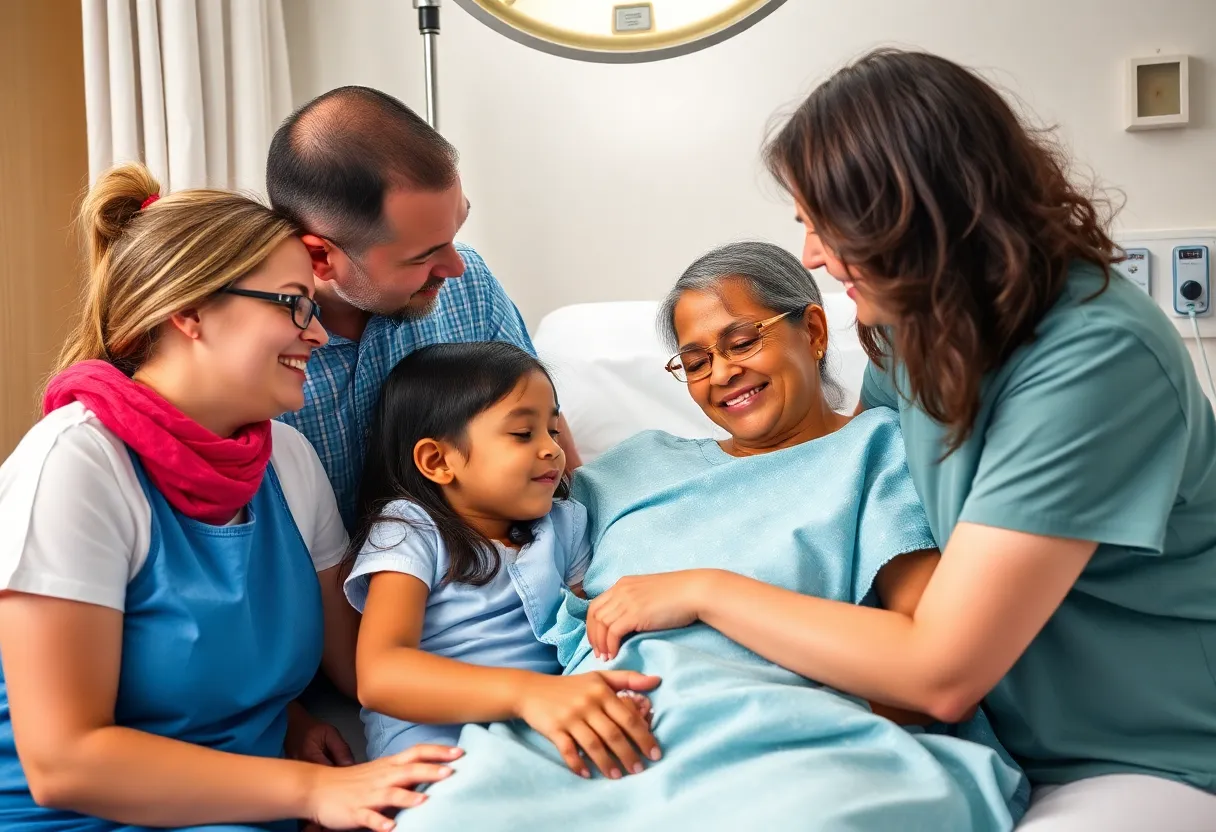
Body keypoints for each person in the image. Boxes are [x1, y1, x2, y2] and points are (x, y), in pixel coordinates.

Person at [382, 242, 1030, 832]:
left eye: (741, 342)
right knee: (449, 814)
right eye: (695, 361)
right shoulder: (624, 470)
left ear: (812, 330)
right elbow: (487, 504)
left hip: (788, 743)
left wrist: (791, 697)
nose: (720, 373)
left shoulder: (875, 453)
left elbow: (928, 673)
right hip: (598, 745)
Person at [744, 48, 1216, 830]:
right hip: (988, 732)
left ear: (914, 209)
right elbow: (866, 504)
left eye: (824, 225)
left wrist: (703, 591)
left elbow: (941, 670)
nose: (812, 258)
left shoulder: (1095, 358)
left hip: (1151, 750)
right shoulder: (909, 323)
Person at [0, 163, 459, 832]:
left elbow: (363, 665)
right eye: (294, 303)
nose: (318, 332)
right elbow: (65, 762)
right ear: (189, 312)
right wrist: (307, 790)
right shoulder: (77, 465)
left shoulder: (288, 462)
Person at [266, 86, 581, 532]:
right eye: (422, 256)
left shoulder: (469, 282)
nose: (455, 267)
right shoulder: (253, 347)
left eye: (458, 227)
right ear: (320, 257)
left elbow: (544, 422)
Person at [342, 342, 657, 775]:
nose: (551, 448)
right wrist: (526, 693)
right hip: (436, 740)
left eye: (552, 429)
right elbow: (381, 676)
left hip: (547, 721)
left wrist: (612, 686)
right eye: (523, 434)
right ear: (438, 460)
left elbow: (590, 633)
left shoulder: (564, 524)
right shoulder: (410, 528)